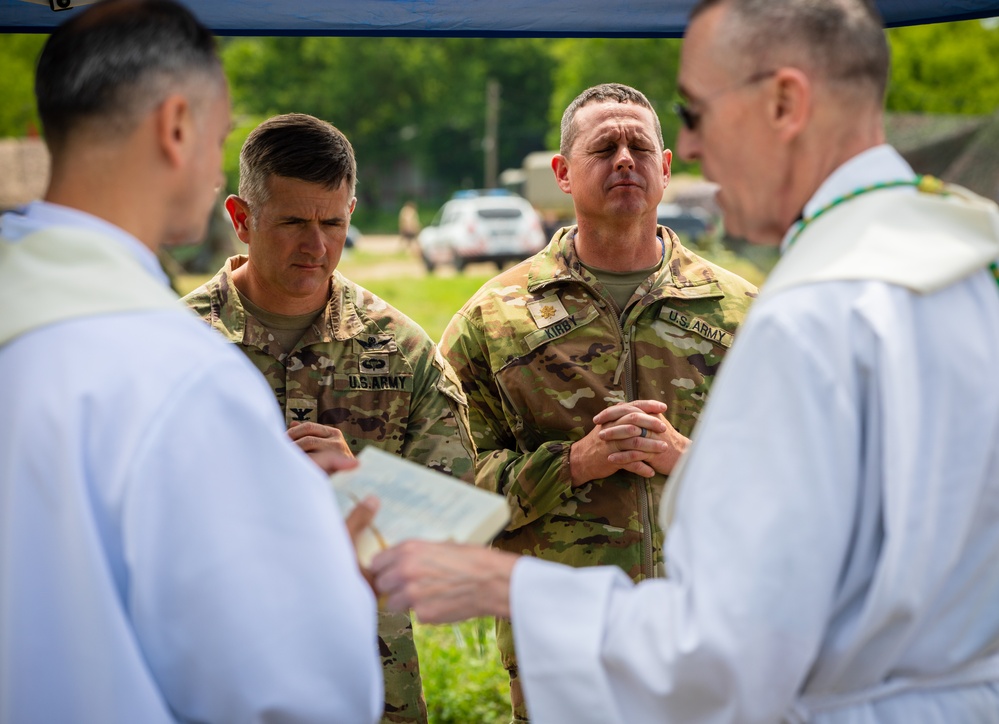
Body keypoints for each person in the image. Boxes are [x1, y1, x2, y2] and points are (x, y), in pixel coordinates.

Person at [370, 1, 999, 722]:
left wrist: (510, 589)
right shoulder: (965, 265)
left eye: (694, 114)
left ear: (784, 103)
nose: (691, 151)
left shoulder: (808, 315)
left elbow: (729, 649)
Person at [0, 2, 382, 722]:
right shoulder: (178, 375)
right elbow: (289, 694)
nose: (215, 168)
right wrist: (322, 576)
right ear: (176, 126)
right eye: (217, 136)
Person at [435, 82, 758, 721]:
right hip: (560, 644)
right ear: (562, 172)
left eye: (640, 146)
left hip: (711, 634)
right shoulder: (496, 318)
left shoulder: (742, 312)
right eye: (603, 146)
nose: (624, 160)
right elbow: (445, 487)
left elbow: (800, 481)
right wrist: (572, 464)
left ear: (666, 169)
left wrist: (685, 460)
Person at [182, 112, 476, 724]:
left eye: (334, 223)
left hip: (369, 684)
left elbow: (457, 521)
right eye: (292, 221)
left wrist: (360, 488)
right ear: (241, 219)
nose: (316, 246)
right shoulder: (173, 346)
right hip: (210, 675)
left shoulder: (402, 348)